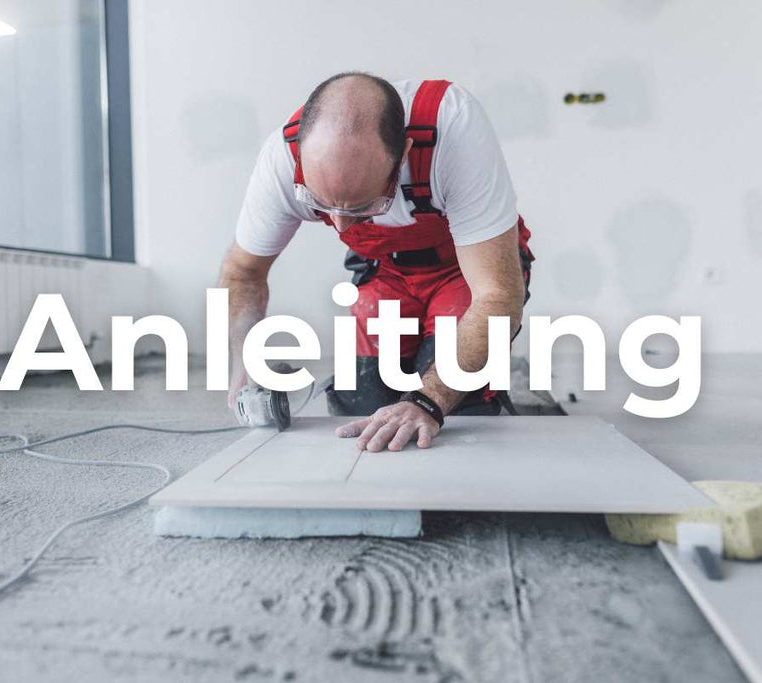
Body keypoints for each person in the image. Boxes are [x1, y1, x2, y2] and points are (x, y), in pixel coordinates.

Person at [219, 72, 534, 452]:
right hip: (386, 271)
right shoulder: (281, 161)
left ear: (402, 156)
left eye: (364, 206)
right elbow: (243, 272)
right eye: (323, 205)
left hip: (465, 272)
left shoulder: (452, 128)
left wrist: (426, 402)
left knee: (456, 413)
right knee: (362, 402)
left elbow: (497, 296)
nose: (339, 224)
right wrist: (242, 364)